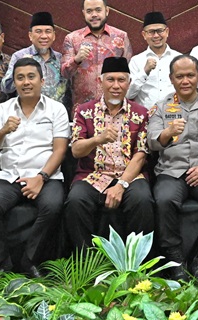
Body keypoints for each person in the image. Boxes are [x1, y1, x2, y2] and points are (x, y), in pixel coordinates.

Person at [0, 58, 70, 275]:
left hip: (45, 176)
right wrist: (3, 131)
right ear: (14, 82)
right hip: (9, 176)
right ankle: (3, 263)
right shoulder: (2, 109)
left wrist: (41, 178)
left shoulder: (56, 109)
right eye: (20, 78)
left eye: (31, 77)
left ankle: (30, 260)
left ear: (42, 80)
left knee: (53, 206)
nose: (26, 82)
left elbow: (59, 150)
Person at [148, 55, 198, 279]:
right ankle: (176, 262)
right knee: (164, 200)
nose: (186, 81)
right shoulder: (162, 107)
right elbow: (151, 141)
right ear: (171, 79)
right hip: (171, 171)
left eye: (190, 75)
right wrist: (166, 133)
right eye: (180, 76)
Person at [65, 57, 153, 249]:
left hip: (130, 175)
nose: (116, 85)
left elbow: (140, 155)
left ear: (128, 83)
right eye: (110, 79)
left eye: (121, 80)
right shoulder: (83, 111)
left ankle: (133, 263)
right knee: (75, 201)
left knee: (143, 200)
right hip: (92, 174)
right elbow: (77, 151)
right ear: (100, 81)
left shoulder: (141, 113)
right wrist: (98, 139)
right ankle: (88, 263)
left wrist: (121, 185)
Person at [62, 0, 132, 107]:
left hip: (114, 107)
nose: (94, 14)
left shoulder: (121, 37)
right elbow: (64, 74)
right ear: (84, 13)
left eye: (98, 10)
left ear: (107, 11)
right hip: (82, 109)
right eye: (89, 11)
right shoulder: (72, 38)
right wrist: (77, 59)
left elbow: (129, 73)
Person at [3, 11, 67, 107]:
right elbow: (5, 88)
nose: (44, 36)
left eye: (48, 31)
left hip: (56, 115)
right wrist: (21, 66)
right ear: (30, 35)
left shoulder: (60, 59)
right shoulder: (19, 56)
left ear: (54, 36)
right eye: (38, 32)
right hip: (29, 113)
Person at [128, 11, 182, 111]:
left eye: (160, 31)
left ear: (167, 32)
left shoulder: (179, 58)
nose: (156, 36)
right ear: (144, 35)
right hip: (146, 118)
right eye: (151, 32)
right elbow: (128, 94)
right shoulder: (136, 61)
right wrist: (144, 72)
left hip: (175, 115)